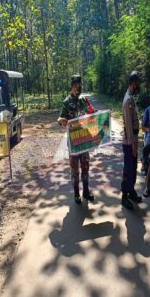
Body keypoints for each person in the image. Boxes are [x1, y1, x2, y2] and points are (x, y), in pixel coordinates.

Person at [58, 75, 96, 204]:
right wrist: (61, 121)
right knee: (75, 169)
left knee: (85, 167)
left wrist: (101, 115)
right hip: (74, 142)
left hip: (84, 141)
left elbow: (91, 113)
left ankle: (86, 192)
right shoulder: (66, 102)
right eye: (75, 86)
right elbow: (61, 118)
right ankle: (76, 194)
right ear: (71, 86)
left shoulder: (84, 100)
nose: (77, 88)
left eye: (79, 85)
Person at [121, 71, 143, 210]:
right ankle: (124, 196)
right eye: (137, 83)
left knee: (133, 168)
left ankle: (132, 191)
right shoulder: (128, 100)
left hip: (132, 140)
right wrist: (134, 145)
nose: (138, 85)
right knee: (128, 170)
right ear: (132, 83)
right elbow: (129, 126)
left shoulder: (131, 97)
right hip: (130, 141)